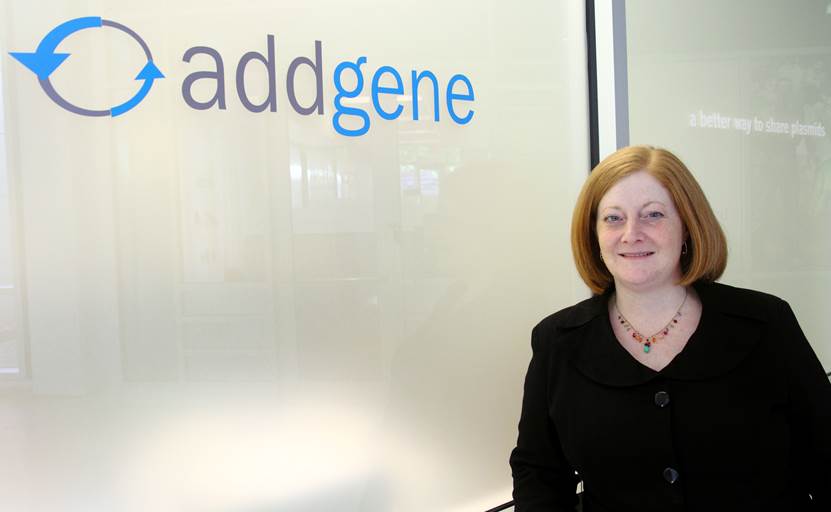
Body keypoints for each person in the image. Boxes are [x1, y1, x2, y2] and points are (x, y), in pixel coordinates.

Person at [509, 145, 831, 512]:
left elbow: (825, 455)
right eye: (613, 218)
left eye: (653, 215)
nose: (631, 234)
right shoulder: (557, 340)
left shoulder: (766, 323)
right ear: (593, 235)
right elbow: (539, 476)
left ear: (688, 227)